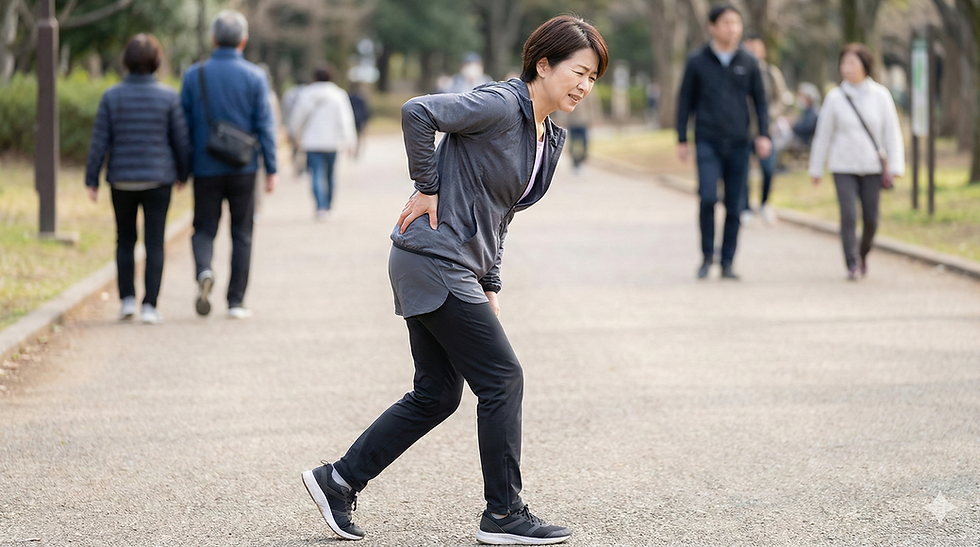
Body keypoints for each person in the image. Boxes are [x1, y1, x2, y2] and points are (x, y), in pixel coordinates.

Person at [300, 15, 609, 545]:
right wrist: (428, 185)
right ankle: (505, 515)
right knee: (502, 378)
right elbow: (418, 111)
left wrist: (490, 279)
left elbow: (500, 212)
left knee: (438, 394)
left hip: (455, 265)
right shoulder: (498, 104)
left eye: (593, 78)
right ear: (543, 64)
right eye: (578, 71)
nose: (584, 85)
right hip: (431, 258)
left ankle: (339, 479)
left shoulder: (549, 138)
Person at [84, 34, 191, 325]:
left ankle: (127, 300)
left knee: (125, 239)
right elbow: (180, 140)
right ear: (157, 61)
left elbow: (99, 141)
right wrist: (183, 173)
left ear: (126, 61)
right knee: (155, 242)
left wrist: (91, 178)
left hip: (122, 180)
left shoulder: (112, 96)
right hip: (159, 179)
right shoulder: (169, 96)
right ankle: (150, 306)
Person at [180, 10, 278, 319]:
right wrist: (271, 168)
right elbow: (265, 124)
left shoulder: (193, 75)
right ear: (243, 41)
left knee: (204, 228)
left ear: (212, 39)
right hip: (243, 167)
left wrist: (183, 168)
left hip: (205, 166)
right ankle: (235, 301)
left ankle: (204, 270)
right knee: (242, 232)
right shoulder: (255, 76)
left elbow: (182, 127)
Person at [676, 5, 771, 280]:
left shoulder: (749, 61)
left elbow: (761, 102)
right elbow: (685, 101)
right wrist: (682, 138)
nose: (733, 29)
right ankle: (707, 256)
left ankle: (728, 261)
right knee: (707, 197)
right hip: (707, 140)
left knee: (734, 204)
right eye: (727, 23)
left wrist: (763, 134)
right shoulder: (697, 61)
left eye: (736, 23)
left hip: (740, 142)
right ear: (712, 27)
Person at [808, 43, 904, 281]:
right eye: (843, 63)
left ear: (865, 64)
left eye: (852, 62)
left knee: (871, 218)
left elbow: (891, 132)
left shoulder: (881, 95)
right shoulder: (834, 97)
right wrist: (816, 167)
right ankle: (851, 263)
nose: (847, 68)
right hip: (843, 166)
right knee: (849, 214)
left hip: (872, 166)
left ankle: (862, 255)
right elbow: (823, 134)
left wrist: (896, 165)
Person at [288, 64, 358, 220]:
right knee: (330, 174)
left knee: (315, 174)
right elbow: (346, 120)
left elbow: (297, 117)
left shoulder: (306, 93)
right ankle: (328, 206)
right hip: (332, 142)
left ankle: (320, 207)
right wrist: (350, 141)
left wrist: (295, 135)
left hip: (311, 142)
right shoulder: (338, 94)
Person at [741, 36, 790, 226]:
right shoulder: (739, 71)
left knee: (768, 169)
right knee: (743, 172)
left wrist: (769, 114)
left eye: (756, 48)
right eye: (748, 48)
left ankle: (764, 203)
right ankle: (744, 207)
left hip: (766, 130)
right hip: (743, 131)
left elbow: (782, 98)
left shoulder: (771, 73)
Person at [348, 82, 371, 158]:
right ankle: (356, 150)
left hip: (351, 118)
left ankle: (352, 149)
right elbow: (365, 109)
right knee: (359, 136)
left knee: (352, 135)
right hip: (360, 119)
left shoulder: (348, 97)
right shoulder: (361, 98)